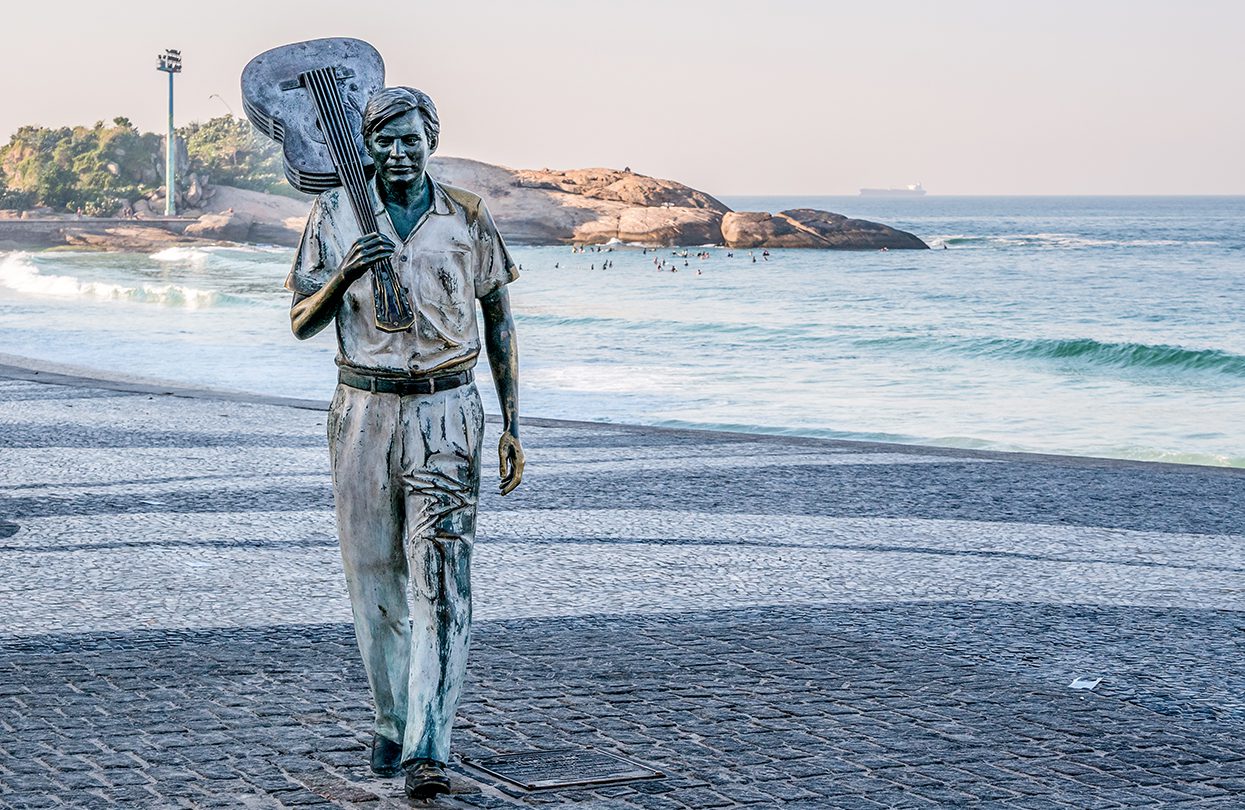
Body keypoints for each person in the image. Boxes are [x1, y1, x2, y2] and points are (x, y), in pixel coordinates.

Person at [286, 86, 524, 801]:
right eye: (383, 141)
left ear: (431, 141)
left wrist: (513, 423)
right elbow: (299, 319)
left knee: (443, 582)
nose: (397, 153)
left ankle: (429, 743)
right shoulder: (333, 214)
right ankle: (392, 718)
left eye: (410, 140)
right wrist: (347, 272)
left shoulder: (466, 216)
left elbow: (500, 321)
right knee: (375, 576)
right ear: (366, 146)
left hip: (448, 410)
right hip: (361, 410)